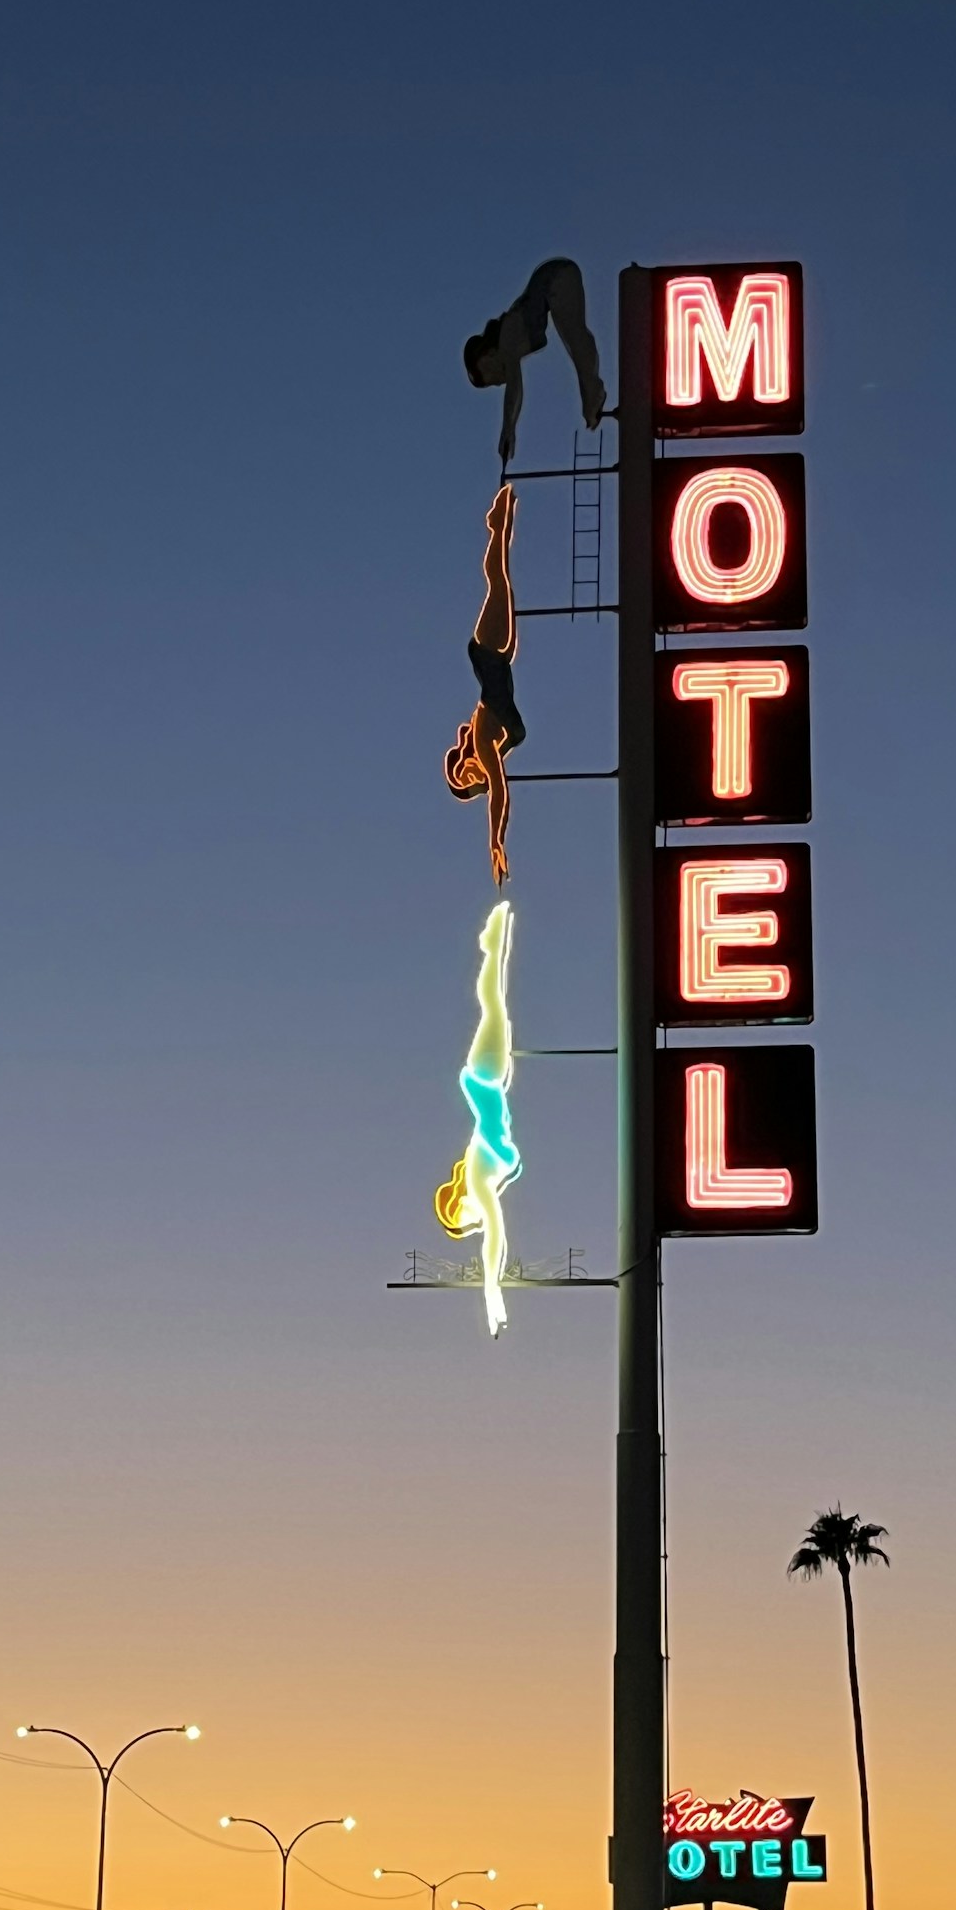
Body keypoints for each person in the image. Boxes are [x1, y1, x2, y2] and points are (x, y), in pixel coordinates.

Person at [434, 901, 520, 1338]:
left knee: (493, 1003)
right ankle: (494, 944)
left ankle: (493, 944)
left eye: (468, 1220)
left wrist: (492, 1290)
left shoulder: (480, 1181)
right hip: (489, 1082)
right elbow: (492, 1231)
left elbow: (495, 1238)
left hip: (484, 1079)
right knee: (495, 1006)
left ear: (461, 1207)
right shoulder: (481, 1177)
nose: (477, 1222)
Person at [444, 483, 525, 885]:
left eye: (462, 774)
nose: (472, 776)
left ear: (463, 762)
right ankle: (501, 525)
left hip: (487, 653)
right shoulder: (493, 747)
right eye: (469, 784)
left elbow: (500, 793)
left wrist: (496, 841)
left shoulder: (481, 741)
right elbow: (495, 787)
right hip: (500, 655)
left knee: (497, 579)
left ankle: (498, 525)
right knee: (502, 580)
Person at [463, 258, 607, 463]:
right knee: (575, 338)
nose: (498, 383)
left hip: (557, 277)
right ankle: (593, 397)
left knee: (575, 338)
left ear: (487, 358)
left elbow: (515, 386)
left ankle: (594, 396)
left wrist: (508, 428)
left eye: (492, 378)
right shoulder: (512, 336)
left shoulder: (508, 334)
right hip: (555, 280)